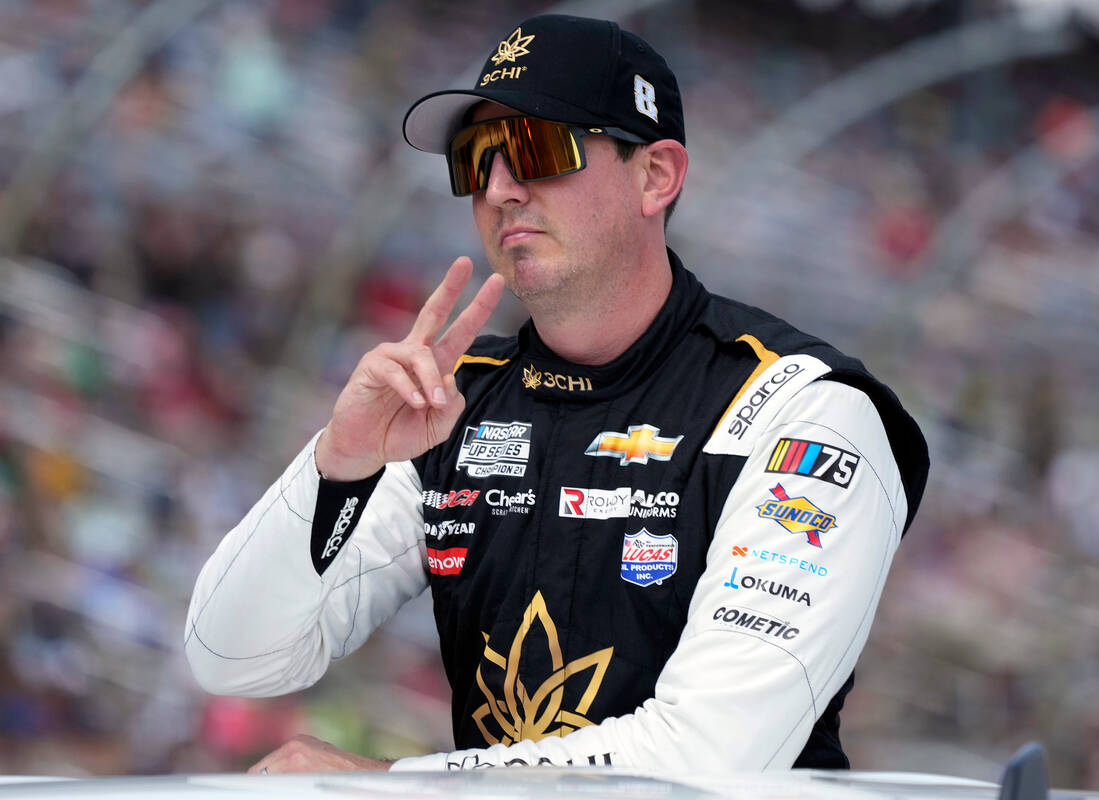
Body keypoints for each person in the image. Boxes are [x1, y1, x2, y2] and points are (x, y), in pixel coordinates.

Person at [185, 13, 928, 774]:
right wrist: (338, 464)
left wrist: (393, 786)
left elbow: (710, 757)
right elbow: (232, 659)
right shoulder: (450, 405)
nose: (501, 188)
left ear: (656, 176)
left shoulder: (801, 406)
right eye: (477, 159)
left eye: (538, 148)